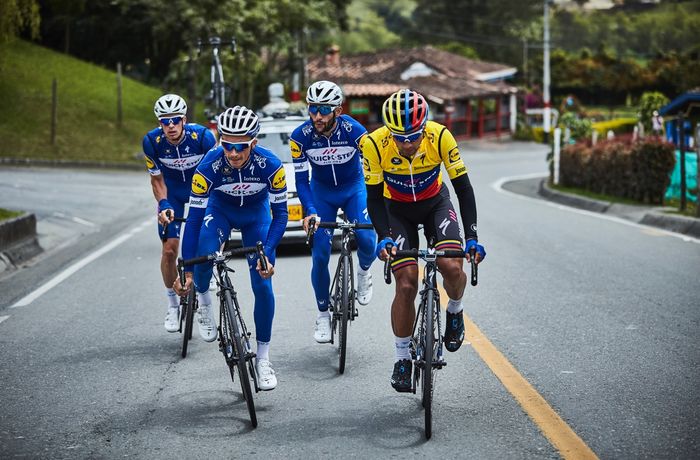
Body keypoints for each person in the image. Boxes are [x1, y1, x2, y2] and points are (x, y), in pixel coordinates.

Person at [361, 89, 486, 392]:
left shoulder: (440, 136)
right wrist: (383, 238)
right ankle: (402, 357)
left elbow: (464, 189)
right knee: (406, 283)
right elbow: (374, 199)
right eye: (399, 137)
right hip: (396, 210)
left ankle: (454, 310)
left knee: (452, 267)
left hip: (435, 204)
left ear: (424, 127)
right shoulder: (373, 144)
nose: (406, 143)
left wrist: (471, 237)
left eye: (413, 136)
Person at [174, 105, 288, 390]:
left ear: (253, 143)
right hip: (220, 212)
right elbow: (195, 219)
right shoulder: (207, 167)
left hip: (256, 217)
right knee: (203, 254)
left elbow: (281, 215)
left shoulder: (272, 165)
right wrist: (187, 268)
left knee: (262, 285)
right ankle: (205, 300)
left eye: (240, 147)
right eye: (227, 145)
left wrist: (269, 253)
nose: (233, 153)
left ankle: (263, 359)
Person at [290, 80, 377, 343]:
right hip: (321, 193)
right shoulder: (300, 137)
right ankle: (323, 315)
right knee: (320, 254)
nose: (317, 116)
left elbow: (373, 166)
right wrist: (311, 211)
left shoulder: (354, 130)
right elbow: (302, 181)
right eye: (313, 109)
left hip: (354, 188)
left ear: (337, 110)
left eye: (324, 110)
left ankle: (363, 272)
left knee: (366, 237)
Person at [142, 94, 217, 334]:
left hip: (201, 192)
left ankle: (211, 265)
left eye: (175, 120)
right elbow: (157, 179)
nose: (171, 126)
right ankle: (172, 305)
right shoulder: (152, 143)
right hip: (172, 195)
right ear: (159, 123)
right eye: (165, 122)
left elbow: (216, 174)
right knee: (169, 250)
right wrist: (163, 203)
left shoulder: (204, 138)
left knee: (209, 238)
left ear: (184, 119)